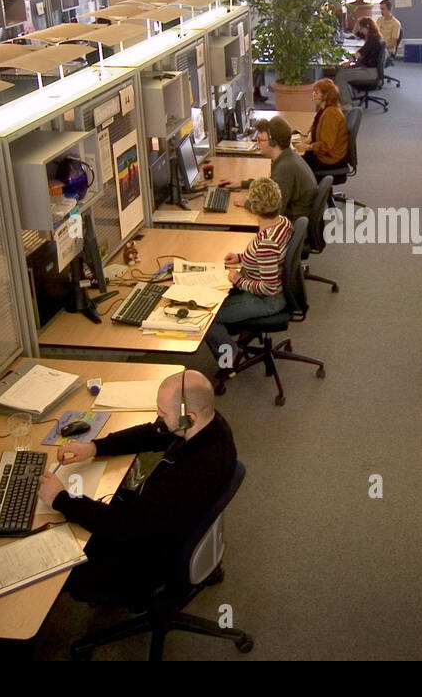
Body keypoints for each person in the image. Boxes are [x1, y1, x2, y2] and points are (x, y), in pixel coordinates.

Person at [38, 369, 237, 606]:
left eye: (162, 412)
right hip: (164, 521)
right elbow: (152, 433)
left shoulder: (194, 472)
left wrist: (60, 498)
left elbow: (125, 525)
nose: (157, 416)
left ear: (189, 417)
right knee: (95, 502)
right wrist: (94, 447)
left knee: (57, 566)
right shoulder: (207, 424)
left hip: (150, 555)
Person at [208, 177, 294, 373]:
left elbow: (269, 287)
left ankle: (230, 357)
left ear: (254, 208)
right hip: (267, 289)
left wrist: (238, 280)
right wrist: (240, 257)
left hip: (267, 299)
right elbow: (267, 259)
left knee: (209, 317)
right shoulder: (283, 223)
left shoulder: (266, 243)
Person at [238, 115, 317, 221]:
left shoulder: (285, 168)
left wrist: (246, 203)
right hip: (296, 216)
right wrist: (243, 184)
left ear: (273, 142)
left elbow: (272, 212)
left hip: (290, 224)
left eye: (260, 140)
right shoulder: (288, 156)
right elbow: (272, 185)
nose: (258, 144)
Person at [299, 78, 349, 174]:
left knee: (294, 164)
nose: (313, 95)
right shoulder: (325, 109)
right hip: (326, 155)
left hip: (329, 159)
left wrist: (307, 147)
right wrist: (310, 137)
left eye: (316, 93)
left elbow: (326, 146)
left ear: (325, 96)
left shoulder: (331, 114)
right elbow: (316, 126)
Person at [334, 16, 384, 105]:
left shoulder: (372, 39)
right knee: (342, 70)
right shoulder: (373, 36)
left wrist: (348, 62)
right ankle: (347, 96)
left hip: (370, 72)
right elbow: (356, 34)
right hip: (368, 68)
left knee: (340, 77)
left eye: (362, 28)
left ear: (368, 26)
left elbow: (359, 53)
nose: (361, 30)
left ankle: (347, 104)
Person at [374, 0, 402, 65]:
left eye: (383, 9)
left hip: (387, 50)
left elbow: (392, 44)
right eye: (380, 9)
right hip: (378, 46)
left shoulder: (396, 24)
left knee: (376, 55)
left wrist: (380, 47)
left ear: (389, 10)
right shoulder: (379, 19)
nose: (381, 11)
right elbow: (374, 34)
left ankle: (378, 73)